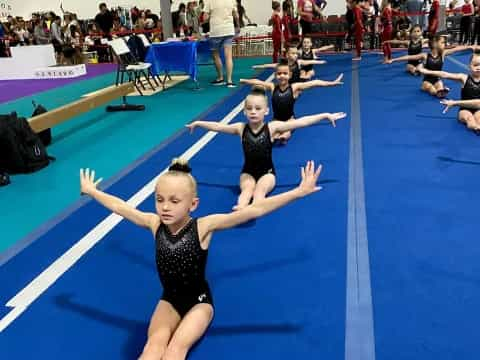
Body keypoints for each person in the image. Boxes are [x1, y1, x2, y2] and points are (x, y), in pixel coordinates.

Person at [79, 158, 323, 360]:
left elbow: (254, 210)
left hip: (199, 303)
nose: (165, 207)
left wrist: (297, 192)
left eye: (174, 201)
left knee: (175, 350)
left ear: (192, 204)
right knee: (152, 347)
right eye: (159, 199)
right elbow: (122, 207)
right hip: (169, 300)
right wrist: (92, 191)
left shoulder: (203, 228)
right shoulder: (154, 224)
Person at [186, 87, 346, 210]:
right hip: (247, 172)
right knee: (246, 191)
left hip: (267, 173)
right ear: (244, 111)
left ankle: (254, 208)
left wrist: (325, 115)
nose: (253, 112)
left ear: (266, 111)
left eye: (257, 108)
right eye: (249, 109)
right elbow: (218, 126)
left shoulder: (272, 128)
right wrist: (199, 123)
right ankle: (241, 209)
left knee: (259, 192)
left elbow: (301, 122)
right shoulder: (240, 128)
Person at [241, 59, 343, 142]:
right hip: (276, 119)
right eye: (279, 73)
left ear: (289, 75)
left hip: (290, 119)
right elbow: (258, 82)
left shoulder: (294, 88)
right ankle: (276, 136)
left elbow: (314, 83)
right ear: (275, 75)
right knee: (269, 136)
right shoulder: (272, 87)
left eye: (285, 73)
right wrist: (244, 80)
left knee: (286, 133)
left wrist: (331, 83)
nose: (282, 76)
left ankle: (283, 136)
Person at [387, 35, 470, 97]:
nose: (444, 45)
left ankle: (441, 91)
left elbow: (456, 49)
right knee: (431, 88)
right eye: (442, 43)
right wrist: (394, 60)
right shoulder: (425, 56)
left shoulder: (443, 54)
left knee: (440, 85)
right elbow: (408, 57)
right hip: (427, 81)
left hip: (437, 80)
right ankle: (437, 93)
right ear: (434, 44)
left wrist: (469, 47)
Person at [417, 52, 480, 131]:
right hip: (464, 109)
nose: (478, 67)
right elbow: (444, 74)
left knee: (479, 118)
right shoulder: (464, 78)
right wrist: (425, 71)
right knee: (469, 118)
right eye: (475, 65)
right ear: (469, 66)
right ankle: (476, 127)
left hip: (478, 109)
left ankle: (478, 127)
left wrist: (454, 103)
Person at [203, 0, 239, 88]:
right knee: (228, 56)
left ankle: (220, 78)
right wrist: (237, 26)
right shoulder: (232, 0)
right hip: (229, 29)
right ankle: (229, 80)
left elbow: (205, 17)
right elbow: (236, 15)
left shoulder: (209, 1)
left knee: (216, 55)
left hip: (216, 30)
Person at [252, 43, 327, 83]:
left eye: (296, 54)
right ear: (287, 55)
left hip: (298, 82)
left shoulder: (299, 62)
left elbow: (310, 61)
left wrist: (319, 62)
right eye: (293, 53)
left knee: (308, 75)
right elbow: (270, 65)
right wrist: (258, 66)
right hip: (288, 83)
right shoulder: (283, 64)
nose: (295, 55)